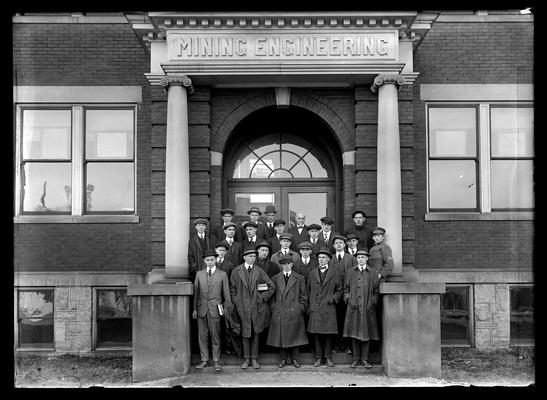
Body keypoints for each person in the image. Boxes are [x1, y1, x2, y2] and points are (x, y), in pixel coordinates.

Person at [230, 248, 275, 369]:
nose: (252, 259)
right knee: (245, 334)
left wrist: (261, 298)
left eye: (254, 257)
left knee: (256, 333)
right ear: (244, 257)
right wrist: (237, 301)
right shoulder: (236, 271)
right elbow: (232, 288)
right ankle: (246, 359)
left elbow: (271, 286)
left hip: (256, 307)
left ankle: (254, 359)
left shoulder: (259, 271)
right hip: (242, 308)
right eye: (250, 257)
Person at [192, 249, 232, 372]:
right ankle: (204, 360)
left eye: (212, 260)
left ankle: (216, 361)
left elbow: (226, 293)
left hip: (215, 308)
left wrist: (226, 308)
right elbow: (196, 293)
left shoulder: (222, 274)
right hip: (201, 308)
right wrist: (194, 309)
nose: (210, 262)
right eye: (207, 260)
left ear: (216, 260)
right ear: (204, 261)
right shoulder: (199, 274)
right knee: (202, 336)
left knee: (216, 335)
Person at [267, 255, 308, 368]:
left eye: (288, 263)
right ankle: (283, 359)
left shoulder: (299, 278)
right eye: (284, 264)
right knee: (281, 337)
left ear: (292, 264)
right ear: (281, 265)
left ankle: (295, 359)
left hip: (294, 311)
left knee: (295, 335)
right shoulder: (275, 278)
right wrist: (274, 308)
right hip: (280, 311)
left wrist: (300, 308)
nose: (286, 266)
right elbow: (272, 297)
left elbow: (303, 295)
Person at [342, 249, 380, 369]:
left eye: (363, 257)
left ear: (367, 259)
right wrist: (348, 299)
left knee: (366, 334)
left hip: (367, 308)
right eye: (359, 258)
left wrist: (372, 302)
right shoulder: (351, 272)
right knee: (354, 333)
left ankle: (364, 359)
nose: (361, 259)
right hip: (353, 308)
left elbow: (376, 291)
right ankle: (355, 359)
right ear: (356, 259)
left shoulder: (373, 273)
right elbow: (345, 289)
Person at [307, 247, 342, 367]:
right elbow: (308, 290)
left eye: (323, 258)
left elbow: (339, 290)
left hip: (329, 307)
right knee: (316, 334)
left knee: (328, 334)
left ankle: (327, 357)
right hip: (316, 307)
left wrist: (333, 299)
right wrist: (311, 305)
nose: (321, 260)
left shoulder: (334, 273)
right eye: (319, 258)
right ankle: (318, 357)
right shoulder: (312, 273)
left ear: (328, 259)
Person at [331, 234, 357, 354]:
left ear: (345, 245)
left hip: (348, 293)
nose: (339, 245)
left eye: (341, 243)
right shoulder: (330, 259)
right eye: (336, 243)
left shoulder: (351, 259)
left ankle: (347, 345)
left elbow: (355, 276)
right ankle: (336, 344)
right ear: (333, 245)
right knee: (335, 319)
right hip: (334, 294)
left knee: (348, 319)